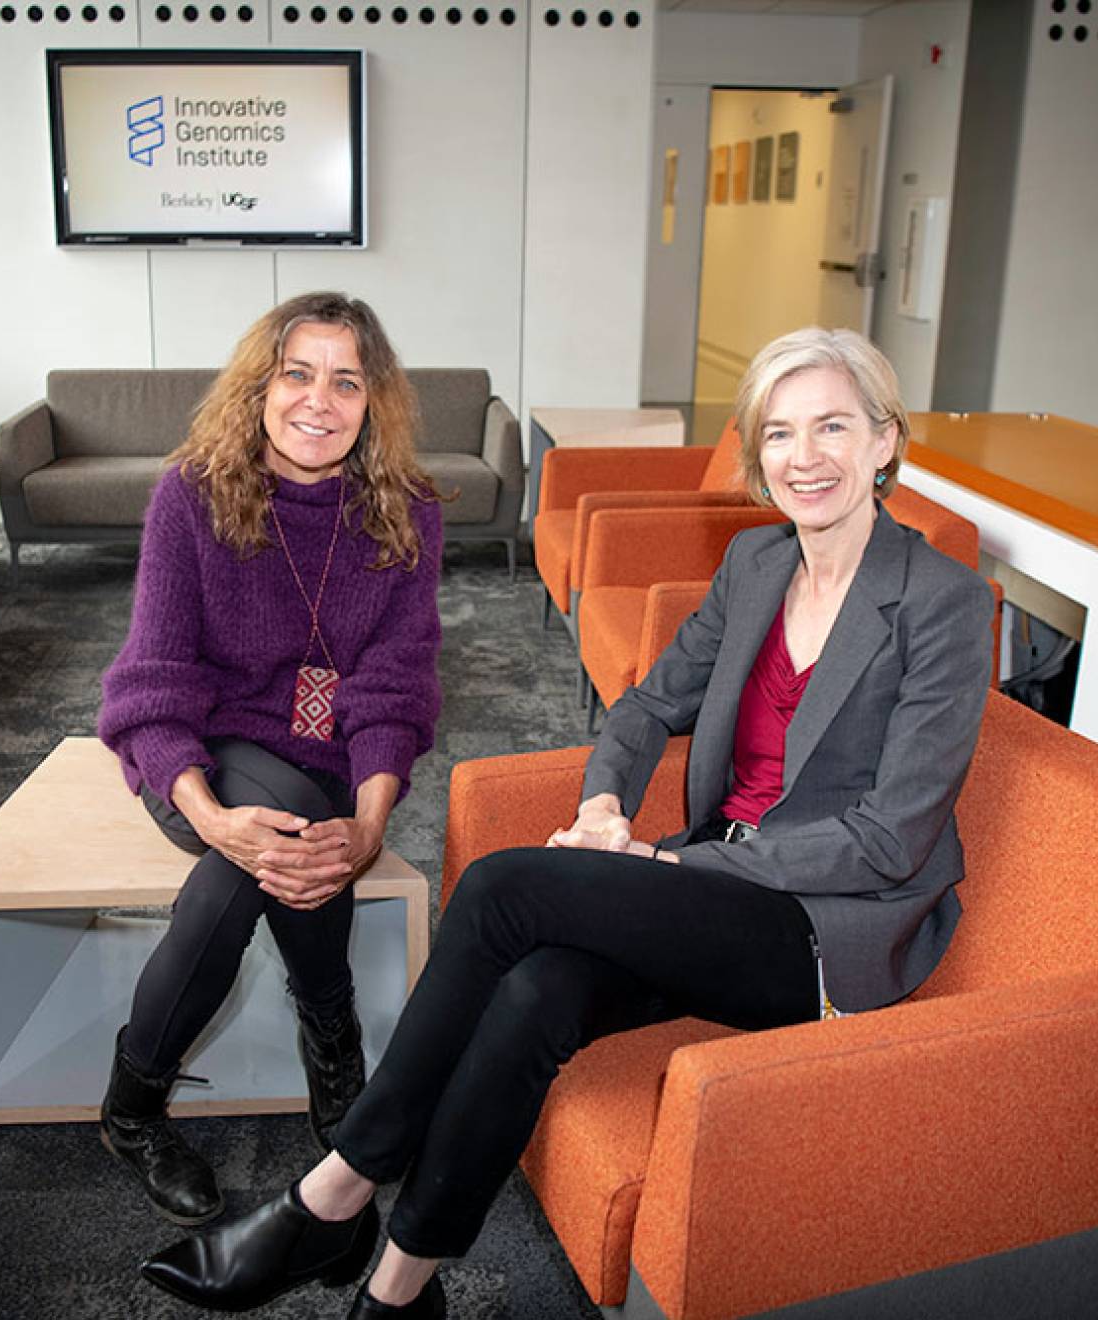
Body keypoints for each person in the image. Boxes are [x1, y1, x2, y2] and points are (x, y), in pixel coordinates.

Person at [137, 327, 994, 1317]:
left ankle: (333, 1193)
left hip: (826, 932)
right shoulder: (759, 566)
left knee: (504, 889)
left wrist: (669, 868)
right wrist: (602, 806)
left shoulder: (939, 603)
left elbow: (893, 838)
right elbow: (642, 707)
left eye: (834, 427)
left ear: (885, 442)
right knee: (540, 989)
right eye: (781, 433)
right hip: (720, 882)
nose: (805, 457)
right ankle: (400, 1287)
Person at [96, 291, 443, 1228]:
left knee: (268, 853)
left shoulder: (405, 516)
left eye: (346, 381)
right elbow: (154, 679)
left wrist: (371, 825)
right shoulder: (192, 494)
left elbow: (395, 688)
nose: (317, 401)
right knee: (264, 840)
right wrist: (209, 816)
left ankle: (129, 1112)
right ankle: (334, 1033)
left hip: (325, 761)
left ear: (374, 404)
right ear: (260, 385)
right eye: (297, 373)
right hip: (197, 755)